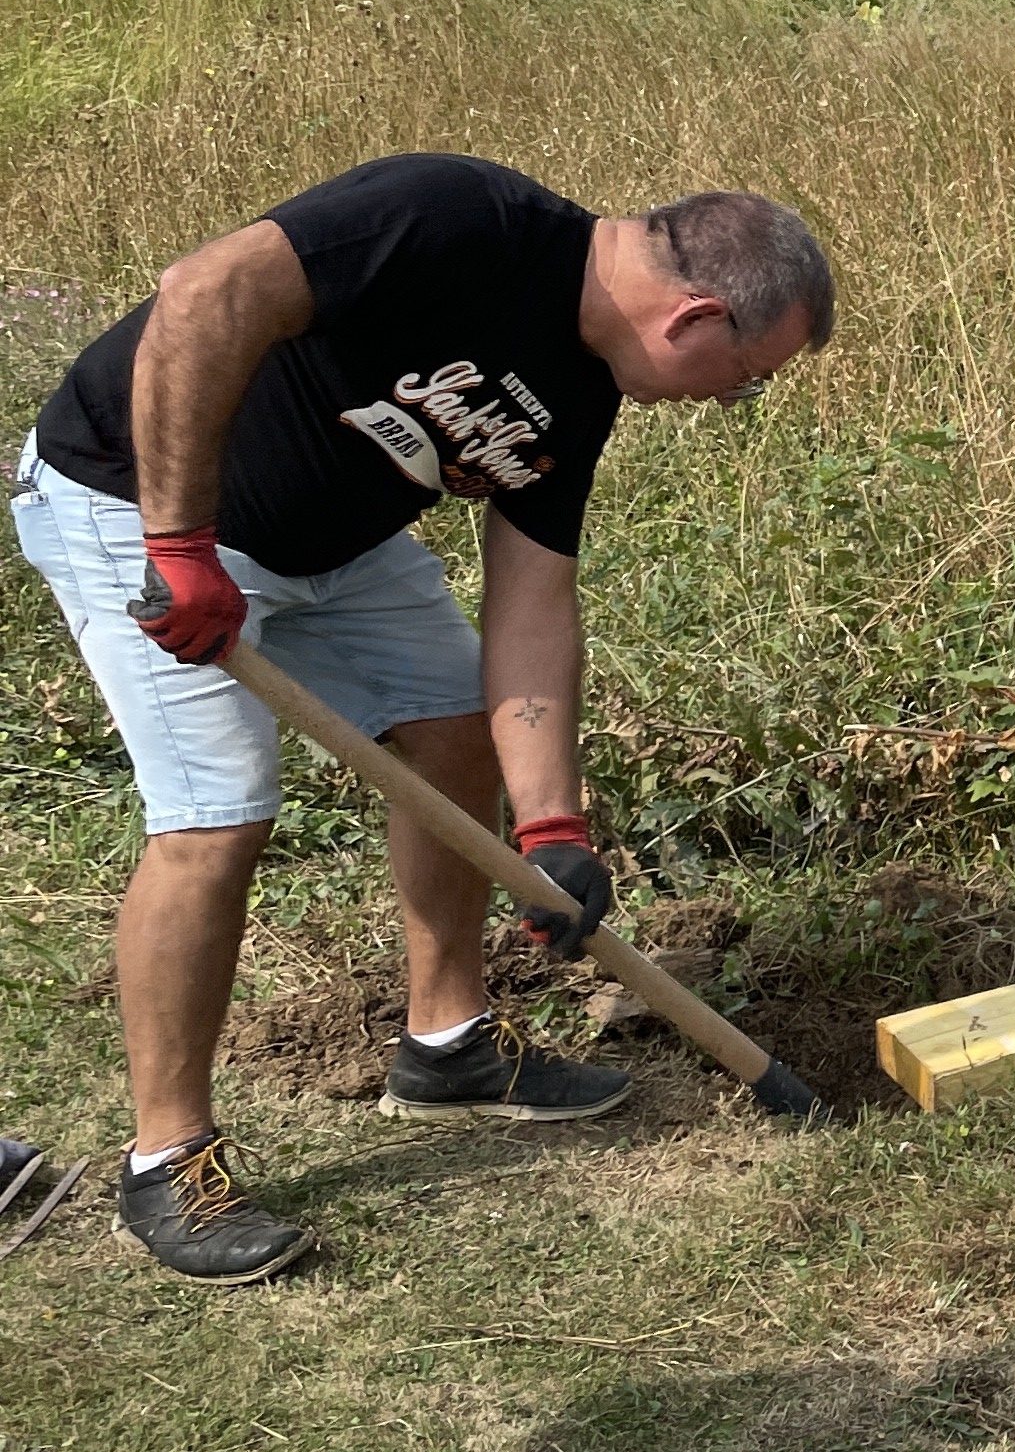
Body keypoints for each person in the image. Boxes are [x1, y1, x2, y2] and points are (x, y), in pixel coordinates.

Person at [10, 157, 834, 1283]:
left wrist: (552, 828)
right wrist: (179, 544)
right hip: (137, 500)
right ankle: (167, 1162)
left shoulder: (585, 386)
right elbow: (206, 290)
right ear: (694, 315)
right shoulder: (462, 221)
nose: (729, 405)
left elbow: (533, 600)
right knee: (218, 811)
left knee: (453, 721)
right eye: (745, 379)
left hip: (336, 545)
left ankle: (447, 1044)